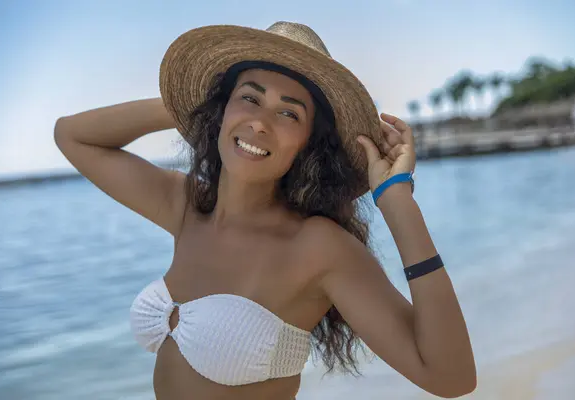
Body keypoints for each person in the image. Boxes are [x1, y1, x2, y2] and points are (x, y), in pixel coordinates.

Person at [54, 21, 476, 400]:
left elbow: (450, 377)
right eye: (249, 99)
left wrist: (397, 201)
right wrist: (198, 103)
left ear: (309, 142)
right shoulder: (188, 208)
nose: (260, 123)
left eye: (288, 112)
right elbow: (72, 136)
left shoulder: (317, 247)